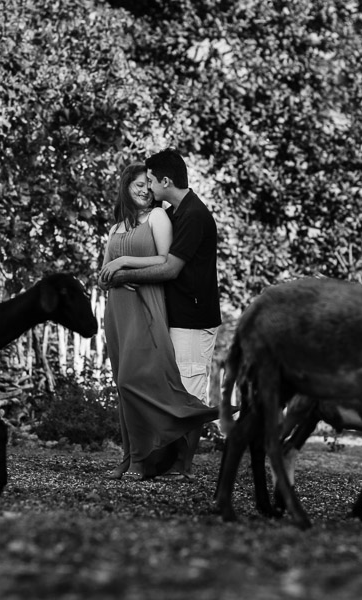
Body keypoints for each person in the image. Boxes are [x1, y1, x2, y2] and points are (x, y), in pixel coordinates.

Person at [100, 149, 222, 477]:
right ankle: (160, 461)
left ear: (165, 181)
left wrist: (123, 272)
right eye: (141, 183)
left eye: (151, 181)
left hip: (193, 320)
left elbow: (169, 268)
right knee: (166, 389)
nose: (148, 188)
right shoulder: (175, 212)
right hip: (172, 315)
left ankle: (182, 467)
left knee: (187, 393)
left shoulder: (193, 215)